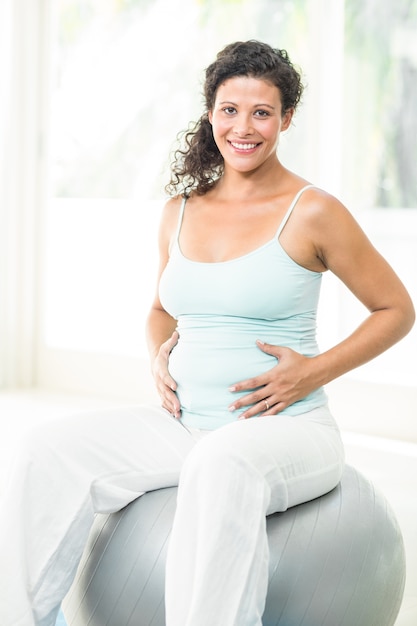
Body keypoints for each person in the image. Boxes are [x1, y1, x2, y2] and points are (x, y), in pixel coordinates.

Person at [0, 40, 414, 626]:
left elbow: (396, 309)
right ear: (210, 113)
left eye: (261, 112)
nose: (243, 127)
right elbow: (160, 309)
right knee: (44, 450)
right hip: (188, 424)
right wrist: (156, 359)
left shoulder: (313, 210)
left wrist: (311, 372)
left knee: (221, 464)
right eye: (229, 110)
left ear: (286, 119)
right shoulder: (179, 210)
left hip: (287, 431)